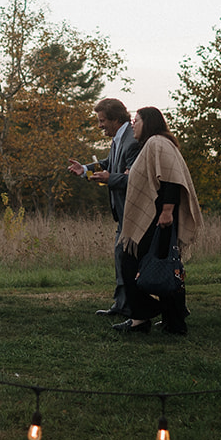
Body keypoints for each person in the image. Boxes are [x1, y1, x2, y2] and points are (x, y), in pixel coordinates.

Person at [112, 106, 202, 336]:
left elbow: (171, 180)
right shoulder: (153, 144)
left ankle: (143, 317)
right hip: (156, 217)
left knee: (132, 262)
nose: (133, 124)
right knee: (164, 266)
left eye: (137, 120)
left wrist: (167, 211)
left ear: (149, 122)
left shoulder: (157, 143)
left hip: (158, 218)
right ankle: (174, 322)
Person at [68, 97, 141, 317]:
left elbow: (135, 180)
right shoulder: (120, 138)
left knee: (127, 259)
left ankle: (132, 307)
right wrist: (85, 169)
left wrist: (109, 179)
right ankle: (123, 305)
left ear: (116, 119)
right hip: (123, 213)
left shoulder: (132, 141)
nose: (99, 126)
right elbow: (110, 164)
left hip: (134, 212)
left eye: (102, 121)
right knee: (121, 258)